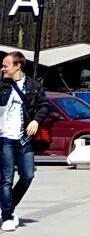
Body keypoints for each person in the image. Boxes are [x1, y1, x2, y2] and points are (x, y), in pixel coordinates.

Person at [0, 51, 48, 231]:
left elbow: (45, 105)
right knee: (6, 179)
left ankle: (9, 207)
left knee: (28, 175)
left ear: (17, 66)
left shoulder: (34, 86)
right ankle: (6, 215)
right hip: (5, 138)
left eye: (6, 65)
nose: (3, 68)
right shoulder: (2, 85)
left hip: (24, 138)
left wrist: (36, 120)